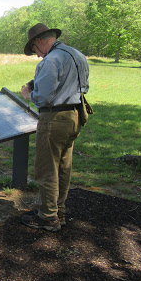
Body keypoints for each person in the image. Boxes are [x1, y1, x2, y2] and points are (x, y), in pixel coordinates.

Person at [19, 23, 89, 232]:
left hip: (55, 118)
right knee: (63, 166)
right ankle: (58, 210)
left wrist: (28, 94)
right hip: (75, 115)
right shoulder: (77, 54)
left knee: (47, 168)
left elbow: (44, 97)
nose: (38, 56)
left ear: (39, 41)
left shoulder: (51, 61)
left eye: (35, 50)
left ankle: (48, 218)